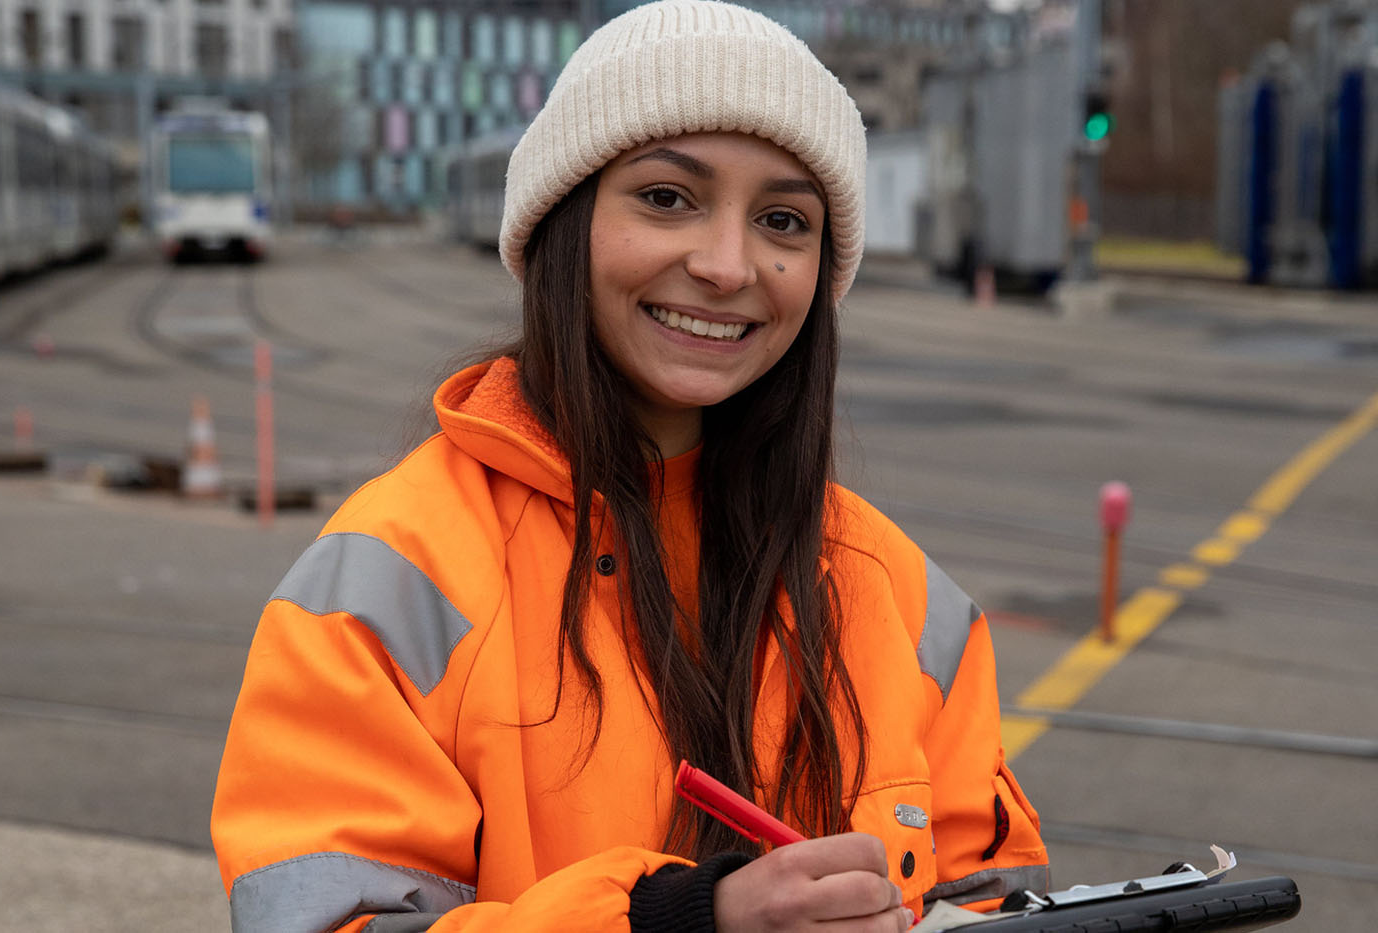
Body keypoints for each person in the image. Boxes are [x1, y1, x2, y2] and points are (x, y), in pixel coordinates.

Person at [210, 3, 1050, 931]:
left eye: (783, 220)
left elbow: (988, 896)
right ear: (561, 222)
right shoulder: (389, 581)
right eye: (666, 197)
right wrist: (675, 920)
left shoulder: (908, 600)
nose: (729, 265)